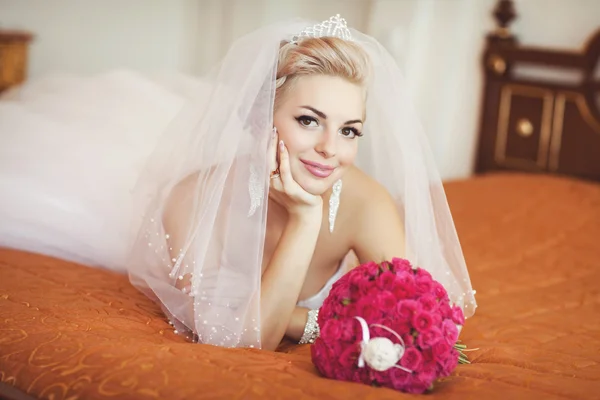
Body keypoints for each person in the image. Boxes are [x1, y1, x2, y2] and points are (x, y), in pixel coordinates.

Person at [0, 15, 476, 351]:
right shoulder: (192, 200)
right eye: (309, 121)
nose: (332, 148)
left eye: (349, 129)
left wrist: (296, 317)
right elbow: (245, 341)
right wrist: (306, 221)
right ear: (257, 119)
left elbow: (420, 322)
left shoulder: (364, 203)